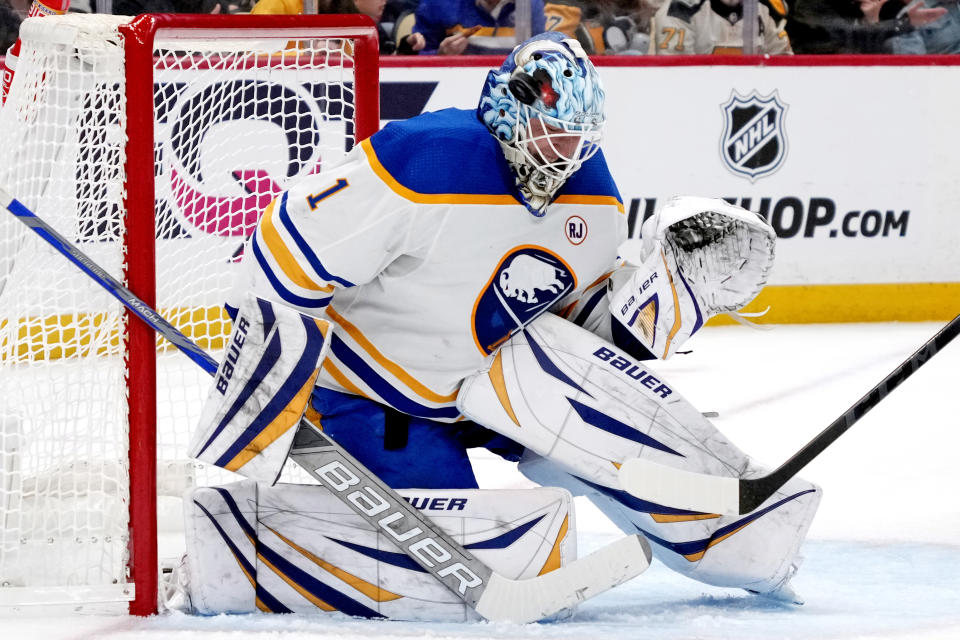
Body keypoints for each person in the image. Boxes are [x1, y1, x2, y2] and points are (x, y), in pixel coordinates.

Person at [212, 30, 821, 605]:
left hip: (494, 383)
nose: (565, 153)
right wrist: (266, 390)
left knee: (619, 436)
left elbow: (580, 325)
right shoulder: (424, 159)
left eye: (578, 137)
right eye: (553, 133)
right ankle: (248, 554)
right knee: (469, 559)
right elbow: (287, 252)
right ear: (509, 107)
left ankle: (737, 548)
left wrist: (667, 300)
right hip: (375, 391)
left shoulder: (593, 190)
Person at [786, 0, 946, 52]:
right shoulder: (808, 5)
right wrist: (903, 23)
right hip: (811, 84)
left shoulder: (884, 7)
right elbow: (845, 34)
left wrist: (872, 19)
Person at [653, 0, 793, 54]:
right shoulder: (680, 10)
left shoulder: (766, 9)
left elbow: (786, 66)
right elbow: (676, 77)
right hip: (697, 105)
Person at [412, 0, 548, 55]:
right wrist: (440, 56)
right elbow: (414, 60)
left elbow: (539, 54)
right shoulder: (439, 4)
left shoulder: (531, 4)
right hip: (455, 85)